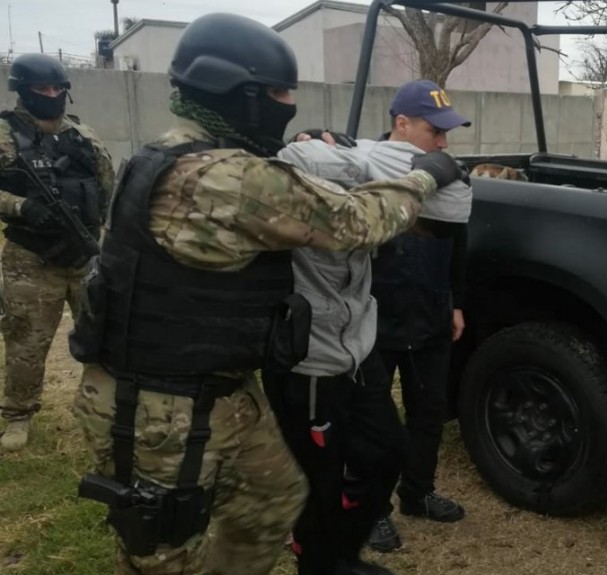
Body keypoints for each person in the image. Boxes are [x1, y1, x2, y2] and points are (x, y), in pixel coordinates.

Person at [68, 13, 464, 575]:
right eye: (280, 93)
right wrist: (426, 175)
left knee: (276, 501)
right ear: (240, 95)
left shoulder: (170, 154)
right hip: (158, 407)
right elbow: (357, 221)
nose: (289, 104)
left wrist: (316, 148)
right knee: (163, 551)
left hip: (214, 389)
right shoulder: (223, 177)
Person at [266, 125, 465, 575]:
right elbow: (367, 218)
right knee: (318, 476)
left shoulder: (363, 172)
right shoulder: (326, 194)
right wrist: (425, 176)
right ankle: (317, 557)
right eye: (424, 227)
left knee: (388, 450)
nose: (421, 235)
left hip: (357, 352)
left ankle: (341, 544)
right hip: (312, 361)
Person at [367, 79, 473, 553]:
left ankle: (418, 492)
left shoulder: (448, 177)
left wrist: (456, 301)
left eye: (447, 133)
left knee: (429, 412)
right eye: (436, 132)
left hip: (430, 311)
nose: (444, 143)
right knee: (372, 421)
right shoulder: (366, 171)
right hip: (375, 317)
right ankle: (372, 509)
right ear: (402, 124)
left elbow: (459, 241)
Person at [0, 53, 114, 451]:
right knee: (26, 342)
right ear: (22, 90)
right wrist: (21, 207)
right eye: (41, 88)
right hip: (30, 259)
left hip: (85, 255)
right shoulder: (4, 134)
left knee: (103, 335)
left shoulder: (84, 135)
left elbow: (106, 186)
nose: (51, 95)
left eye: (57, 88)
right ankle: (18, 415)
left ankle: (105, 407)